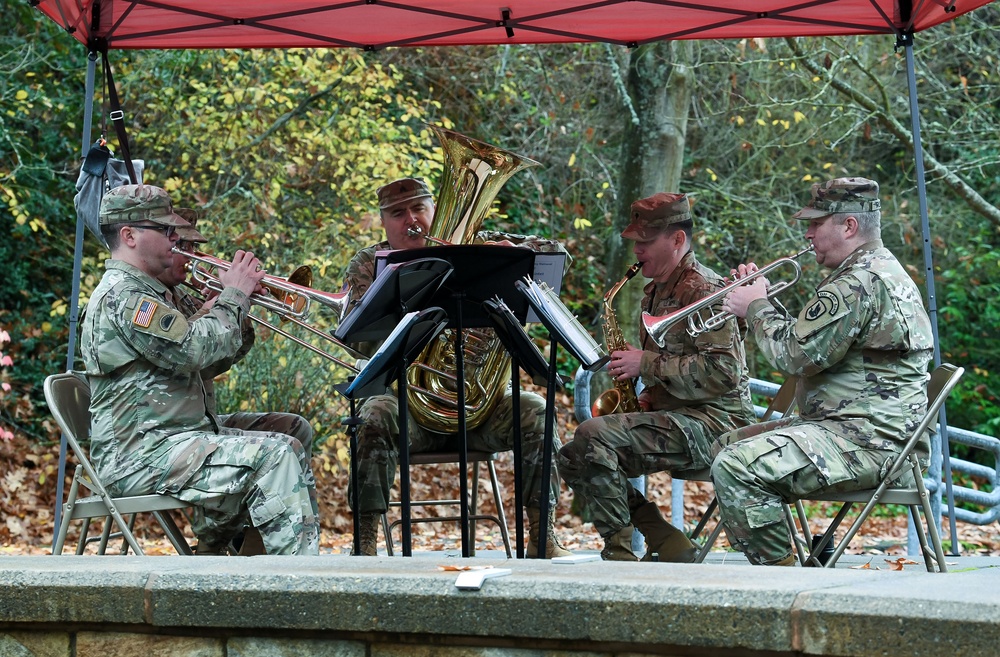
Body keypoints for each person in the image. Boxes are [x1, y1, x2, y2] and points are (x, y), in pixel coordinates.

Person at [80, 184, 320, 556]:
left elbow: (213, 362)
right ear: (129, 236)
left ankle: (235, 559)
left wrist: (236, 309)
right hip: (140, 454)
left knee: (291, 431)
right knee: (276, 455)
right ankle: (298, 586)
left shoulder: (159, 293)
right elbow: (193, 350)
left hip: (178, 436)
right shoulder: (125, 296)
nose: (175, 238)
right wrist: (233, 297)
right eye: (165, 230)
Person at [341, 176, 572, 557]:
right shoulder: (370, 263)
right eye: (398, 214)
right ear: (383, 222)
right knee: (371, 416)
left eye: (419, 209)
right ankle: (365, 542)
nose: (411, 220)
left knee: (537, 412)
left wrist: (511, 251)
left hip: (483, 407)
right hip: (410, 409)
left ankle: (542, 535)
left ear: (435, 211)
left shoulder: (476, 245)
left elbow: (556, 255)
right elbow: (353, 338)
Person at [712, 177, 934, 566]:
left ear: (848, 226)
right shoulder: (877, 270)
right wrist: (755, 301)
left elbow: (794, 357)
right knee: (724, 444)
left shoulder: (857, 283)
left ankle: (780, 582)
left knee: (736, 465)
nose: (808, 232)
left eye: (817, 223)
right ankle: (795, 558)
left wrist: (757, 306)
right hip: (860, 432)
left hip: (869, 443)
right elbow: (809, 348)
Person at [557, 192, 756, 562]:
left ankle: (619, 554)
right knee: (573, 455)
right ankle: (663, 537)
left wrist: (645, 363)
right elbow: (675, 363)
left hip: (718, 423)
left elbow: (724, 374)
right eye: (635, 241)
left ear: (677, 240)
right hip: (682, 417)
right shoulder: (656, 291)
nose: (637, 250)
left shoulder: (704, 290)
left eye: (645, 242)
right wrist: (649, 396)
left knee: (593, 436)